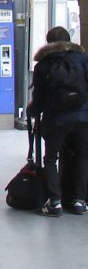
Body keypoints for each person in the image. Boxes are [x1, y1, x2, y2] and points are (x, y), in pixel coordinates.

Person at [28, 25, 88, 216]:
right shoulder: (83, 60)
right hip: (83, 117)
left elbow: (38, 99)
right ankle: (79, 201)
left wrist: (33, 111)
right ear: (70, 41)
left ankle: (55, 203)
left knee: (51, 158)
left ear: (49, 43)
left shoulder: (43, 65)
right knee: (82, 156)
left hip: (56, 119)